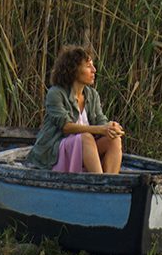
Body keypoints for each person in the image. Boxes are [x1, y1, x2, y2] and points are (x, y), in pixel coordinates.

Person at [27, 45, 126, 174]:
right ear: (73, 69)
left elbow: (101, 120)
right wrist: (100, 129)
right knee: (86, 137)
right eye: (88, 66)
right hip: (56, 150)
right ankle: (100, 182)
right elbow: (66, 127)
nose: (94, 70)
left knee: (114, 140)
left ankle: (110, 184)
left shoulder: (92, 95)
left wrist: (111, 126)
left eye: (93, 65)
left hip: (85, 148)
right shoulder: (56, 93)